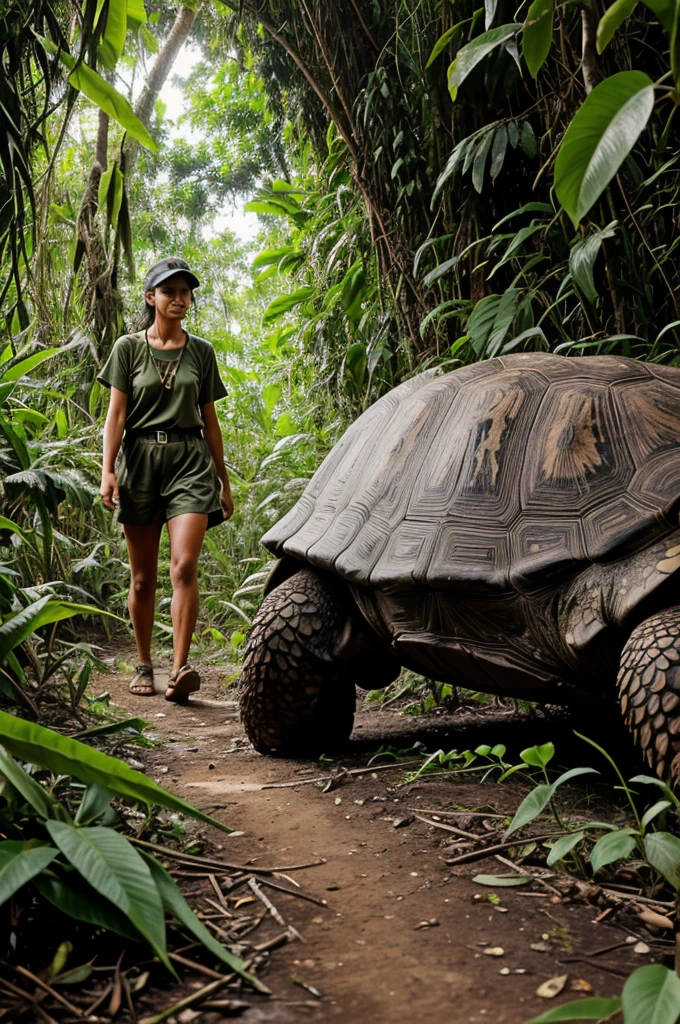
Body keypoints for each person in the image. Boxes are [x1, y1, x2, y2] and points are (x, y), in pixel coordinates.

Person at [98, 257, 233, 701]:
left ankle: (179, 671)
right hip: (138, 460)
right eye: (169, 291)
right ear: (150, 297)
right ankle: (144, 665)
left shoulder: (202, 352)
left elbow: (210, 421)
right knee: (142, 579)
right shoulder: (128, 348)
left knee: (185, 565)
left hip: (189, 461)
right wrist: (108, 470)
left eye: (185, 292)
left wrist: (223, 481)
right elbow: (115, 416)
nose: (178, 299)